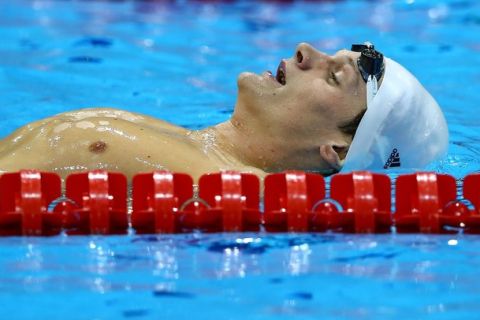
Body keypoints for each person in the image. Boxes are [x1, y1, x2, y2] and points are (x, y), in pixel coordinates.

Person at [0, 42, 448, 181]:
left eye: (334, 77)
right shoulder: (192, 144)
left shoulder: (237, 190)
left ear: (337, 148)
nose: (304, 49)